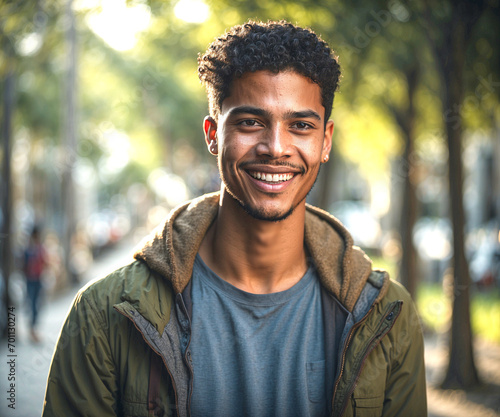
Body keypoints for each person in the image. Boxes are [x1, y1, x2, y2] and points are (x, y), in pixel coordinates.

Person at [43, 20, 427, 416]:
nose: (276, 148)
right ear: (212, 133)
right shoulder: (104, 315)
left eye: (300, 126)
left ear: (325, 141)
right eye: (250, 123)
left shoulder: (387, 318)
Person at [23, 225, 47, 343]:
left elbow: (44, 262)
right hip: (31, 280)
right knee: (32, 304)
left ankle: (33, 329)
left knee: (37, 304)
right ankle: (32, 330)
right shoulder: (29, 249)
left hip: (38, 279)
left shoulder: (39, 248)